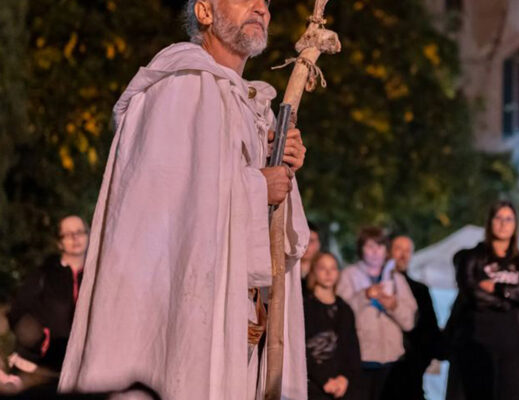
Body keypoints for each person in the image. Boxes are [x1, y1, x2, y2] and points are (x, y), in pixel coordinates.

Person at [58, 1, 311, 398]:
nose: (260, 6)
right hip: (184, 320)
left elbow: (282, 240)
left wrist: (282, 169)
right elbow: (169, 212)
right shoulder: (179, 85)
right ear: (205, 12)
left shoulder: (252, 108)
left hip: (239, 324)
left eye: (266, 0)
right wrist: (259, 185)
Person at [446, 201, 519, 400]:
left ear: (515, 224)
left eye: (508, 219)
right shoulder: (472, 257)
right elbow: (473, 293)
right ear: (489, 222)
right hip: (478, 346)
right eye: (498, 218)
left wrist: (499, 289)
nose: (503, 224)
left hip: (516, 348)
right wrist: (513, 297)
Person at [2, 216, 88, 394]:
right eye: (68, 234)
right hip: (39, 371)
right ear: (59, 243)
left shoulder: (98, 277)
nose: (75, 238)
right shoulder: (44, 274)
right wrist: (38, 338)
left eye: (80, 232)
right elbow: (17, 312)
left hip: (81, 372)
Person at [336, 227, 417, 400]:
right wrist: (364, 296)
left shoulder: (396, 278)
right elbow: (339, 314)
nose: (375, 252)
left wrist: (393, 305)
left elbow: (409, 321)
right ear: (361, 249)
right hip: (360, 360)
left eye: (379, 247)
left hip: (392, 360)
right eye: (369, 247)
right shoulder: (349, 276)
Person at [384, 235, 443, 400]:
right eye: (398, 249)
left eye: (407, 251)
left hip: (410, 365)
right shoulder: (374, 285)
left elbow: (429, 328)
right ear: (388, 252)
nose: (403, 255)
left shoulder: (420, 291)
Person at [305, 252, 364, 400]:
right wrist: (323, 379)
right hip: (314, 385)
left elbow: (352, 349)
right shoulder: (304, 307)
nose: (328, 273)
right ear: (313, 271)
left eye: (333, 268)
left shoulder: (344, 309)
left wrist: (344, 378)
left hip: (343, 385)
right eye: (322, 268)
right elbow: (301, 349)